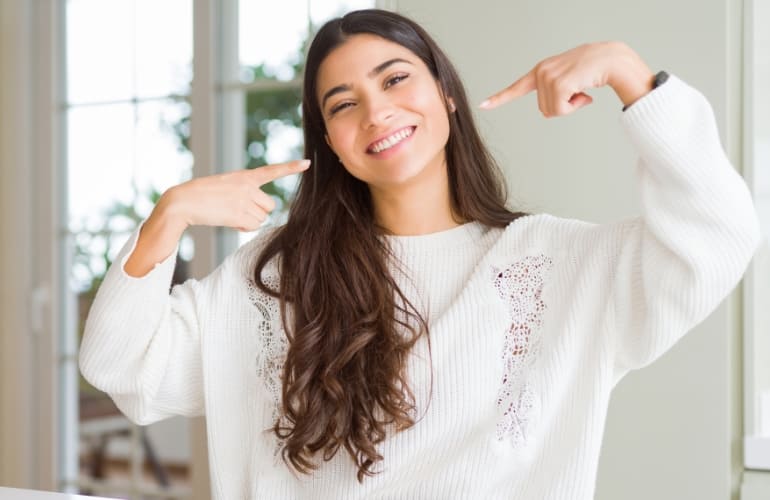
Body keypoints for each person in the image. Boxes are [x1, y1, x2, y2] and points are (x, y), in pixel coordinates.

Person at [79, 8, 760, 500]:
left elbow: (718, 234)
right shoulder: (277, 281)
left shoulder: (561, 265)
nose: (376, 112)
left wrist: (628, 73)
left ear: (447, 94)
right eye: (342, 104)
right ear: (330, 146)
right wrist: (166, 221)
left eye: (396, 78)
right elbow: (124, 368)